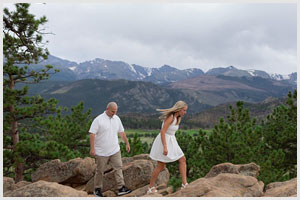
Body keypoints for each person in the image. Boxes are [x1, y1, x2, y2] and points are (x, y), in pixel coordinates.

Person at [89, 102, 132, 197]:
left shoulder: (117, 119)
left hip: (115, 149)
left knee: (118, 168)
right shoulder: (98, 120)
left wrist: (127, 143)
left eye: (115, 111)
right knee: (100, 171)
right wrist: (92, 148)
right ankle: (97, 189)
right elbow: (92, 134)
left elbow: (122, 132)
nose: (114, 113)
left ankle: (121, 188)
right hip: (101, 151)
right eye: (112, 111)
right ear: (107, 109)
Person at [147, 100, 188, 194]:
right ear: (179, 109)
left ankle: (184, 184)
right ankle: (150, 187)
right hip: (164, 141)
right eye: (184, 110)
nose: (185, 113)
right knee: (161, 166)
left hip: (172, 141)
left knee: (182, 159)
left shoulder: (177, 118)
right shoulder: (171, 117)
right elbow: (162, 131)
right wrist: (165, 147)